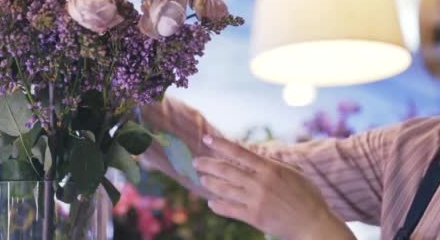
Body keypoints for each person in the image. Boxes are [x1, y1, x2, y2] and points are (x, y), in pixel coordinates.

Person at [141, 97, 440, 240]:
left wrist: (314, 227)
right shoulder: (419, 147)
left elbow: (299, 211)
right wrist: (125, 89)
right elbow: (247, 173)